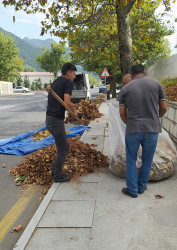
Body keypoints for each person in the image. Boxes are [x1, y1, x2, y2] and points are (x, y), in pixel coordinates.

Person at [119, 64, 167, 198]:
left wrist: (130, 123)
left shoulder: (126, 88)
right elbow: (163, 107)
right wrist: (154, 118)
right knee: (147, 159)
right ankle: (141, 187)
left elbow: (122, 113)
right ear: (144, 72)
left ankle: (132, 190)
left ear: (131, 74)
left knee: (131, 159)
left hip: (133, 129)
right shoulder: (156, 84)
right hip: (152, 129)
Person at [46, 62, 77, 183]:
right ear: (68, 73)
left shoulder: (56, 82)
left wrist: (73, 106)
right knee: (63, 149)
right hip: (55, 121)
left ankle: (54, 171)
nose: (74, 77)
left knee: (63, 147)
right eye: (74, 74)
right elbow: (67, 102)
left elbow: (63, 102)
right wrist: (74, 112)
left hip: (50, 119)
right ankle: (57, 176)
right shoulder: (67, 82)